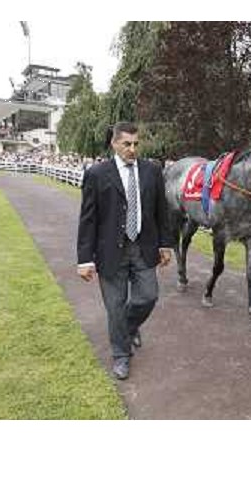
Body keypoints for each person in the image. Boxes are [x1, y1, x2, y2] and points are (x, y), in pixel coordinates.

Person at [77, 122, 173, 380]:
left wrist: (165, 244)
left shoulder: (152, 171)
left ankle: (127, 328)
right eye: (126, 144)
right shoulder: (97, 174)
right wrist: (84, 259)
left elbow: (161, 211)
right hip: (109, 251)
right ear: (114, 143)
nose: (132, 149)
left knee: (148, 296)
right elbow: (88, 219)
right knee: (115, 307)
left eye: (135, 144)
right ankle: (121, 355)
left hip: (143, 247)